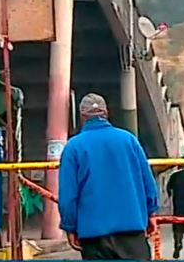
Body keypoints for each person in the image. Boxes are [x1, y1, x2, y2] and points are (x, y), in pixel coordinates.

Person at [58, 93, 158, 260]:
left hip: (94, 235)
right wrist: (151, 213)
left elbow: (68, 195)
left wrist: (70, 226)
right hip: (131, 230)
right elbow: (147, 181)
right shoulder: (128, 140)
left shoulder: (73, 147)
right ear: (106, 113)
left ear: (82, 116)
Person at [166, 156, 184, 259]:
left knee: (178, 229)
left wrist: (171, 196)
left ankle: (178, 243)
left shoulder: (174, 175)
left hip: (178, 207)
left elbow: (168, 188)